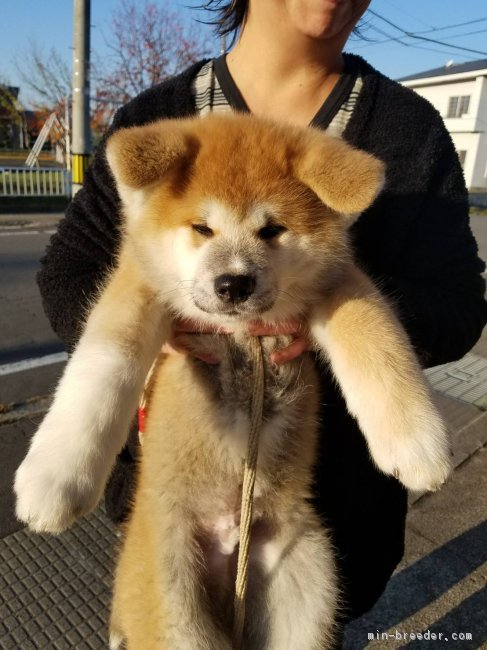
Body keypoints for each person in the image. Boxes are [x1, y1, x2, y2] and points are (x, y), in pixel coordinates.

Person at [37, 0, 487, 641]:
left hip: (321, 516)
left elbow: (459, 308)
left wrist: (319, 317)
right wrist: (163, 321)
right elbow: (67, 279)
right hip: (169, 503)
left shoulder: (408, 129)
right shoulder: (155, 117)